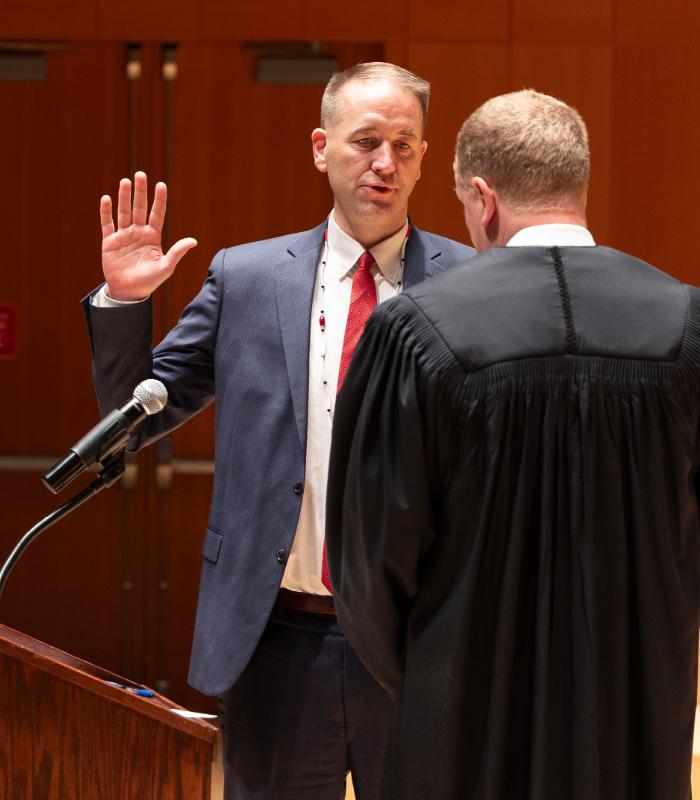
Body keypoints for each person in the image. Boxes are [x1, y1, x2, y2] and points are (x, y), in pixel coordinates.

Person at [81, 62, 475, 799]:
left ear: (424, 158)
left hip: (421, 641)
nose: (385, 162)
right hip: (278, 639)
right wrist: (124, 303)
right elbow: (131, 422)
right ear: (322, 148)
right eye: (365, 141)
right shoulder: (248, 278)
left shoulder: (471, 282)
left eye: (404, 145)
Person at [325, 89, 700, 800]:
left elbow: (368, 564)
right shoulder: (685, 323)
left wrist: (437, 675)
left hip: (465, 725)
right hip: (635, 716)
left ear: (484, 198)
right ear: (577, 184)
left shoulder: (415, 330)